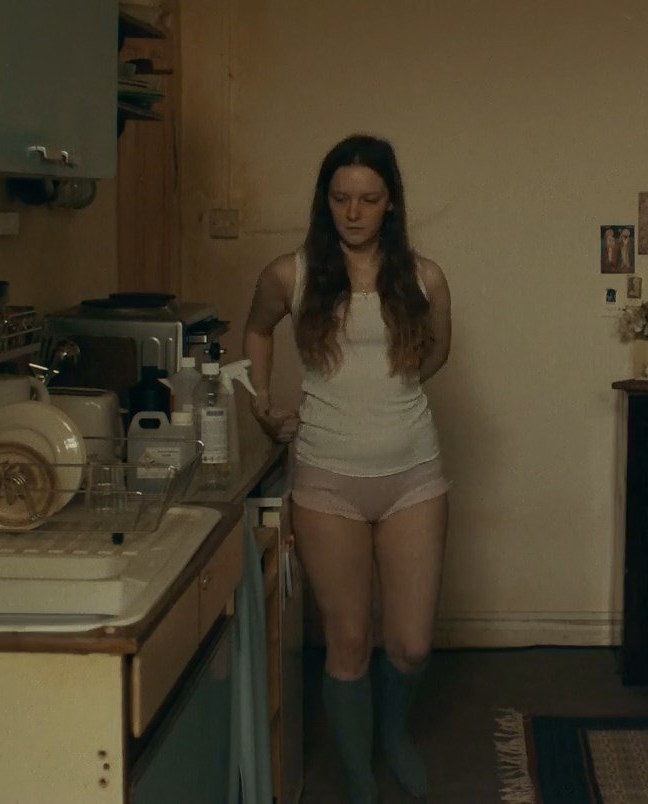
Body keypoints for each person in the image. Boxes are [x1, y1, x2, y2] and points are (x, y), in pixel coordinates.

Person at [242, 134, 453, 804]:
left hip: (413, 474)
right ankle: (359, 774)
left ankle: (393, 733)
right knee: (349, 641)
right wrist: (261, 403)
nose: (354, 212)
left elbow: (436, 354)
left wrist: (386, 395)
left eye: (368, 199)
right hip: (326, 479)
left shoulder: (425, 277)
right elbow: (256, 330)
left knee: (411, 645)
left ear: (391, 203)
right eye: (341, 199)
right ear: (324, 201)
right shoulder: (290, 274)